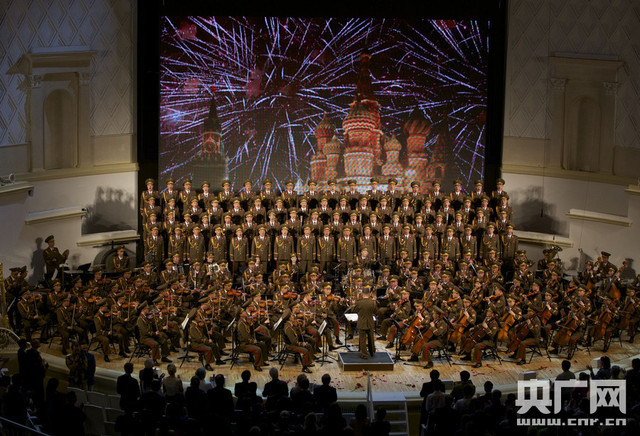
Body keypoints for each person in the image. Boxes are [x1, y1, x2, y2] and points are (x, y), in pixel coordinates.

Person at [354, 287, 377, 359]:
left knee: (363, 339)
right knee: (371, 338)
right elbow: (375, 311)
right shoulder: (373, 302)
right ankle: (372, 351)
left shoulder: (359, 302)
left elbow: (354, 310)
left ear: (362, 294)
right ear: (370, 294)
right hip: (370, 322)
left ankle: (364, 354)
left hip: (361, 322)